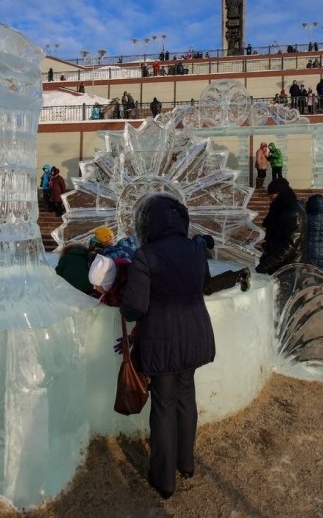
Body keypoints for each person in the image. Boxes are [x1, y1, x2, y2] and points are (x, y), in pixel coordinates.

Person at [120, 193, 215, 500]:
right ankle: (186, 463)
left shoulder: (146, 255)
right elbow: (204, 285)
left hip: (162, 339)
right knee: (186, 396)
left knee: (163, 404)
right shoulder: (196, 250)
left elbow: (134, 306)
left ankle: (164, 479)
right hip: (196, 334)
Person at [256, 178, 307, 274]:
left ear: (282, 193)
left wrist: (267, 264)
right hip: (278, 264)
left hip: (289, 267)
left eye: (272, 194)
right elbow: (277, 236)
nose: (270, 197)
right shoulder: (280, 208)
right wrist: (268, 246)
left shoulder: (294, 213)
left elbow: (289, 246)